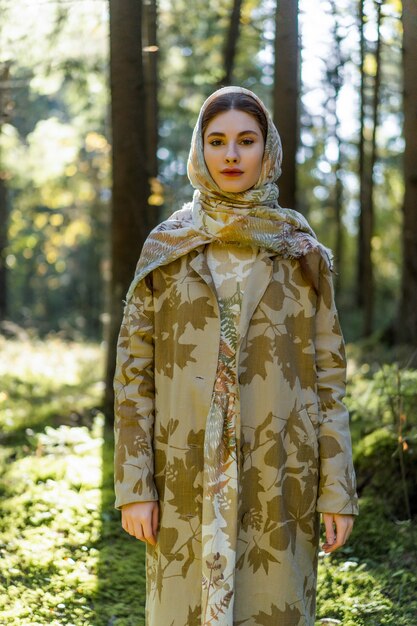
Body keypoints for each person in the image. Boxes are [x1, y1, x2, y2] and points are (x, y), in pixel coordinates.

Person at [113, 85, 358, 626]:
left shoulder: (301, 251)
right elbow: (134, 378)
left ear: (265, 150)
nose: (230, 155)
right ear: (200, 150)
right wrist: (135, 487)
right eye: (217, 140)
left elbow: (329, 379)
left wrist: (337, 491)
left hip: (280, 477)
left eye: (245, 141)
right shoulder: (166, 249)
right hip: (182, 477)